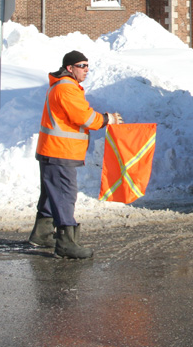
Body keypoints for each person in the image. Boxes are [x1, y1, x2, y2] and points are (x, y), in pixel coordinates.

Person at [28, 50, 122, 259]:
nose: (86, 70)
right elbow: (85, 117)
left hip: (53, 150)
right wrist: (107, 119)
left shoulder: (63, 86)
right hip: (59, 151)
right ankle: (66, 243)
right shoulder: (67, 89)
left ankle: (42, 234)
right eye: (82, 66)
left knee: (51, 193)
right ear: (69, 68)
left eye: (87, 66)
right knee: (64, 194)